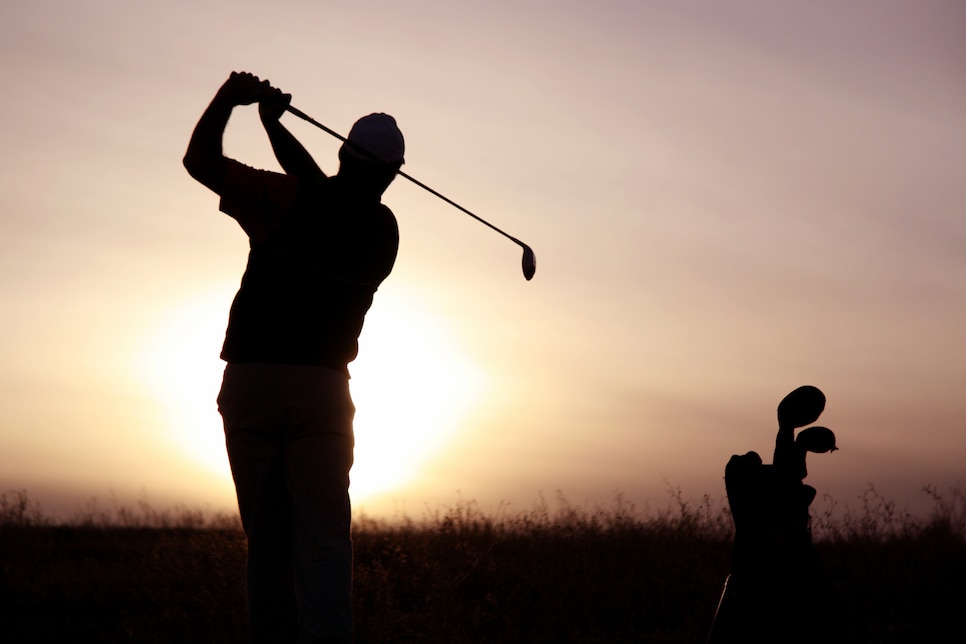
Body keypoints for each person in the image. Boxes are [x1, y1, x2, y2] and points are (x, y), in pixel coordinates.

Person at [182, 71, 404, 643]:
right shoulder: (383, 231)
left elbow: (200, 161)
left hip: (254, 383)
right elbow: (320, 189)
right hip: (323, 395)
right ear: (393, 175)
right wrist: (272, 125)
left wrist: (234, 102)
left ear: (343, 152)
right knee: (323, 542)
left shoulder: (286, 200)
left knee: (269, 543)